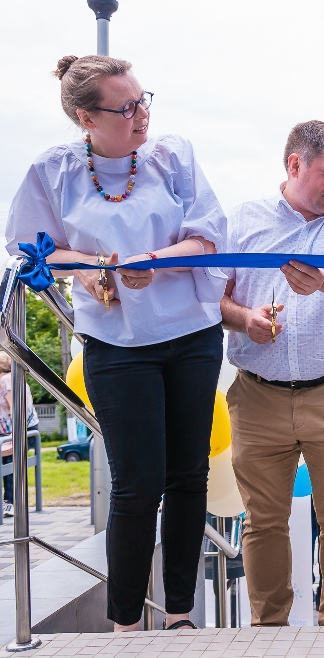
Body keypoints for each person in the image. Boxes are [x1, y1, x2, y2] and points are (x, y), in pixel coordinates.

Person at [5, 55, 226, 631]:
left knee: (188, 476)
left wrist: (151, 261)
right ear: (87, 118)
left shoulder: (172, 156)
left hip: (191, 333)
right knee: (136, 485)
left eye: (143, 99)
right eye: (126, 107)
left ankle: (179, 616)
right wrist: (89, 268)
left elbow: (207, 238)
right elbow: (34, 247)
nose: (141, 114)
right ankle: (125, 626)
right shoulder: (52, 170)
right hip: (114, 342)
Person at [220, 120, 324, 626]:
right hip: (257, 397)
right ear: (295, 164)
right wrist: (244, 319)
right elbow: (213, 296)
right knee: (262, 521)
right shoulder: (241, 221)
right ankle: (270, 633)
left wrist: (323, 279)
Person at [0, 352, 39, 518]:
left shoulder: (7, 380)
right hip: (16, 430)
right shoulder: (12, 378)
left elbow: (16, 408)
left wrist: (15, 436)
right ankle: (8, 501)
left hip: (20, 430)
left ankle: (10, 503)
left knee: (10, 461)